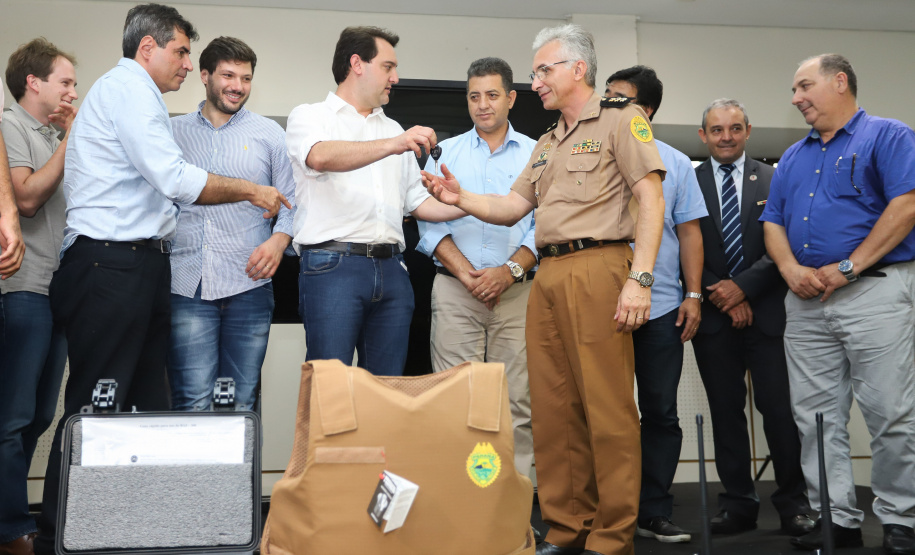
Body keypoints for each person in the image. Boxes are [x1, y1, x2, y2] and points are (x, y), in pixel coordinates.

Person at [34, 5, 289, 554]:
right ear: (147, 48)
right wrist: (251, 190)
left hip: (142, 266)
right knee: (94, 408)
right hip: (109, 264)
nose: (186, 64)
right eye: (181, 52)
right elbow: (174, 179)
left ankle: (145, 530)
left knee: (149, 410)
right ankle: (60, 534)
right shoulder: (129, 90)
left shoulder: (142, 95)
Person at [424, 23, 665, 555]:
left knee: (607, 410)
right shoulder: (549, 141)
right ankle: (567, 525)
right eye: (534, 73)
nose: (535, 83)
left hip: (600, 267)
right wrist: (460, 198)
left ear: (578, 68)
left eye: (543, 71)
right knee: (554, 411)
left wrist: (640, 279)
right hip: (548, 275)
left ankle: (612, 535)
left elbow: (652, 199)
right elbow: (512, 207)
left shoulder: (622, 119)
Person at [761, 54, 915, 553]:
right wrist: (789, 270)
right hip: (806, 302)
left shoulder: (889, 135)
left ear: (840, 81)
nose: (796, 98)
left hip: (875, 292)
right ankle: (836, 521)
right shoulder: (792, 156)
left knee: (890, 413)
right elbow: (773, 222)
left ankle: (901, 521)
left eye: (804, 86)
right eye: (794, 89)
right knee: (816, 419)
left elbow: (907, 204)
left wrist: (849, 266)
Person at [285, 26, 464, 377]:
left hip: (393, 269)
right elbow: (319, 156)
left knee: (387, 390)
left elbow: (417, 203)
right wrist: (395, 144)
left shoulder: (393, 128)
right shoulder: (310, 116)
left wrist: (464, 202)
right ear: (357, 64)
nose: (395, 78)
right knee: (330, 386)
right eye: (388, 67)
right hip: (333, 267)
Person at [692, 97, 814, 537]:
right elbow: (681, 246)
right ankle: (738, 505)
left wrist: (743, 287)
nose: (726, 137)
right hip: (713, 317)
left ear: (748, 131)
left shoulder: (774, 177)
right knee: (725, 414)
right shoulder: (686, 181)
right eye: (717, 130)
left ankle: (794, 504)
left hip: (768, 315)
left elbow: (788, 242)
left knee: (780, 412)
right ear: (703, 135)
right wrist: (724, 294)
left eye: (735, 128)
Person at [416, 57, 537, 477]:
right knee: (455, 399)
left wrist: (508, 272)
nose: (482, 105)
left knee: (517, 402)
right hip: (456, 292)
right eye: (474, 96)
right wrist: (468, 275)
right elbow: (427, 221)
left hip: (518, 294)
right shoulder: (444, 153)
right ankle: (462, 498)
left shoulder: (537, 153)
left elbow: (544, 225)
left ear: (511, 98)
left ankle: (511, 500)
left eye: (492, 95)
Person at [604, 65, 707, 544]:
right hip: (602, 305)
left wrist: (693, 295)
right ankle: (609, 511)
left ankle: (653, 511)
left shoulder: (677, 162)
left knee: (661, 412)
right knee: (605, 411)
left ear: (645, 110)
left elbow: (689, 233)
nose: (608, 106)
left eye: (619, 99)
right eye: (606, 97)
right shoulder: (596, 152)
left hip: (663, 305)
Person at [168, 36, 296, 411]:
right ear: (204, 75)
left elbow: (293, 202)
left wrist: (279, 241)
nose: (237, 86)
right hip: (186, 285)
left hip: (249, 285)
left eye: (246, 78)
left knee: (241, 403)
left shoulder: (270, 134)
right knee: (192, 401)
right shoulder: (171, 133)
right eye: (228, 75)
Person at [0, 38, 77, 555]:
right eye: (65, 82)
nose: (72, 91)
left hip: (57, 290)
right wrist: (73, 140)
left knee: (42, 415)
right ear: (33, 82)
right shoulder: (10, 127)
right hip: (23, 289)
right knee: (12, 417)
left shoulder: (51, 135)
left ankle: (10, 519)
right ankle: (10, 529)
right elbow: (26, 198)